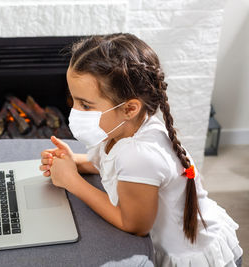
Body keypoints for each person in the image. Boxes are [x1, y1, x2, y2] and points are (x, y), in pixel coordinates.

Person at [39, 33, 243, 266]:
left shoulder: (137, 154)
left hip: (197, 258)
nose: (74, 111)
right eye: (73, 100)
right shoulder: (123, 128)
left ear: (129, 108)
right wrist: (73, 160)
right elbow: (107, 164)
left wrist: (72, 182)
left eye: (85, 104)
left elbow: (133, 224)